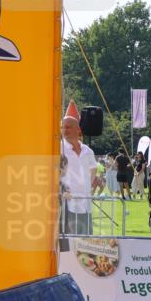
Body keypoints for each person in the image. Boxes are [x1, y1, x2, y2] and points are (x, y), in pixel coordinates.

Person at [60, 100, 96, 234]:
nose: (65, 130)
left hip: (86, 204)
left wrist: (89, 185)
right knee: (70, 243)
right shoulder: (59, 149)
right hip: (67, 204)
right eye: (63, 127)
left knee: (87, 242)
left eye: (68, 127)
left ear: (78, 129)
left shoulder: (87, 151)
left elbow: (93, 167)